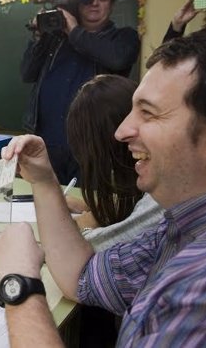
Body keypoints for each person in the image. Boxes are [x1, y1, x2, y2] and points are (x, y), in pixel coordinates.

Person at [0, 30, 206, 346]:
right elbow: (80, 277)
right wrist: (43, 181)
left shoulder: (204, 284)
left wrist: (18, 284)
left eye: (148, 113)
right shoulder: (177, 228)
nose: (122, 131)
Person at [21, 0, 140, 185]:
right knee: (43, 205)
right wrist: (39, 36)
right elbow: (27, 73)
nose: (94, 3)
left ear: (112, 5)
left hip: (93, 147)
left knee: (87, 209)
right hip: (48, 144)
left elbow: (117, 60)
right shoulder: (55, 39)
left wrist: (73, 30)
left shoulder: (123, 38)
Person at [65, 74, 162, 251]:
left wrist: (87, 228)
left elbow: (112, 252)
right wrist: (97, 210)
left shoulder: (164, 191)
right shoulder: (151, 180)